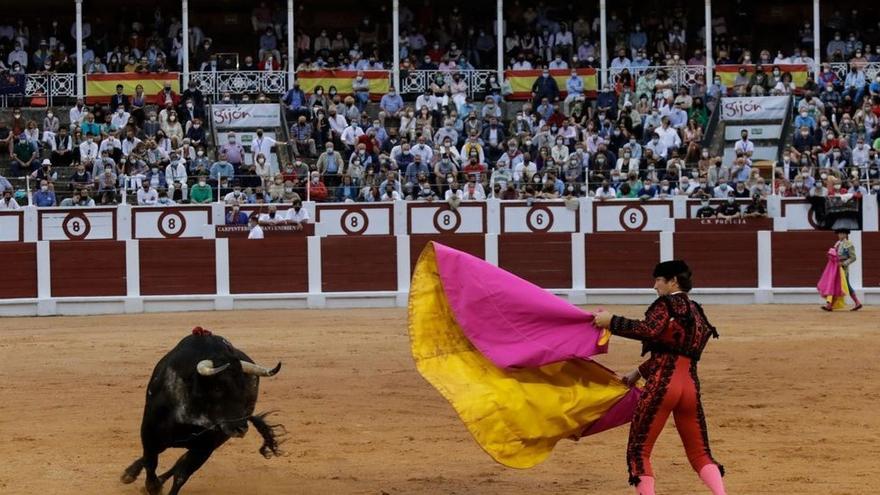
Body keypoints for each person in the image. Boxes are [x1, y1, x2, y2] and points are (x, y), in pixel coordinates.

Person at [593, 261, 726, 495]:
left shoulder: (666, 304)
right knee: (700, 452)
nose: (654, 286)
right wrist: (638, 372)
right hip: (690, 389)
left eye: (658, 280)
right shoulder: (697, 311)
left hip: (663, 387)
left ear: (673, 281)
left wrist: (612, 322)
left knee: (639, 451)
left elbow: (648, 330)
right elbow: (677, 351)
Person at [820, 228, 862, 311]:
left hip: (843, 269)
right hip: (836, 268)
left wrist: (843, 263)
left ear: (846, 235)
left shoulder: (849, 244)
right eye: (839, 234)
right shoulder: (837, 243)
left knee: (844, 286)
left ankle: (857, 302)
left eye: (842, 234)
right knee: (834, 285)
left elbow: (853, 257)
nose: (840, 235)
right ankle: (830, 305)